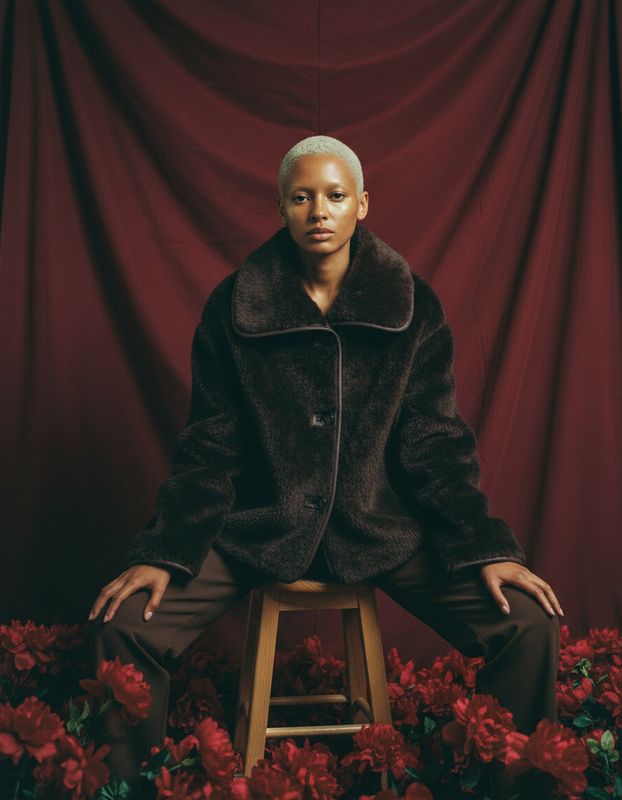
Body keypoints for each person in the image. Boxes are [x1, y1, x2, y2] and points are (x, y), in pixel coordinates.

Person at [88, 135, 562, 785]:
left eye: (335, 196)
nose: (319, 210)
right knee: (124, 626)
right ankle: (121, 789)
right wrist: (163, 551)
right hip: (259, 528)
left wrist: (485, 547)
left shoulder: (412, 306)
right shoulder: (234, 306)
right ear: (281, 206)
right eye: (302, 196)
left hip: (380, 530)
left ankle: (515, 789)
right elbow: (210, 449)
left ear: (361, 205)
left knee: (529, 624)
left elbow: (436, 443)